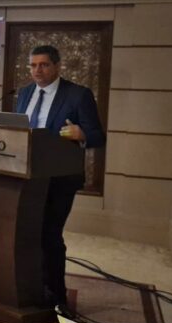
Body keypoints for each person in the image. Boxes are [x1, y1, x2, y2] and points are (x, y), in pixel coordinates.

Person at [14, 44, 106, 308]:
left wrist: (83, 133)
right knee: (26, 234)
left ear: (57, 66)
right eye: (32, 65)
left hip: (60, 178)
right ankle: (31, 287)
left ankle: (56, 295)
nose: (37, 71)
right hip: (26, 176)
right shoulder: (24, 93)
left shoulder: (78, 95)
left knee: (49, 234)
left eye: (43, 65)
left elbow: (99, 136)